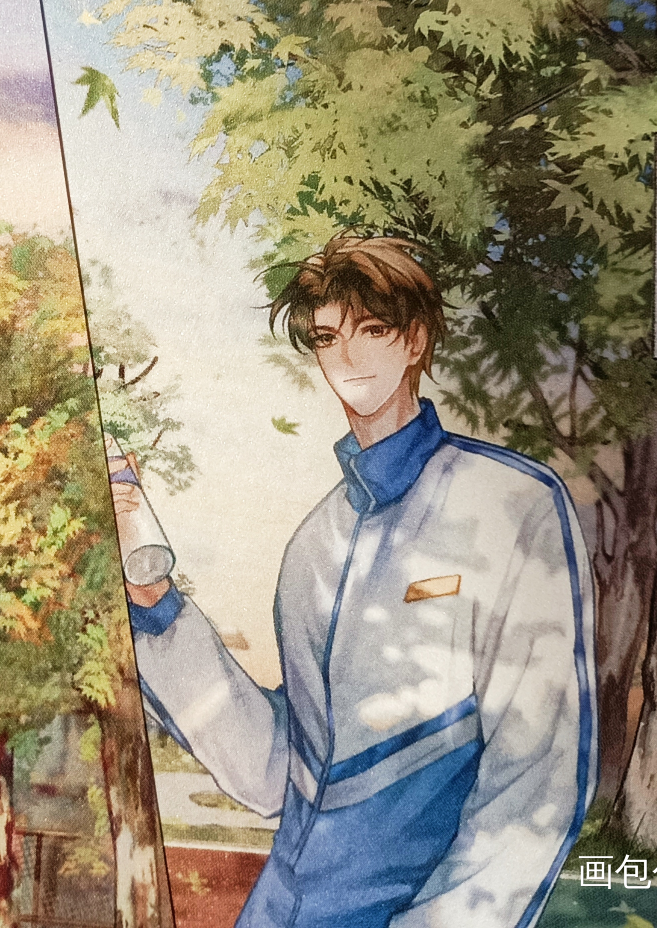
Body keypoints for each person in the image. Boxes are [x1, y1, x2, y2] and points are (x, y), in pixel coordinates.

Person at [110, 236, 596, 928]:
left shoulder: (513, 504)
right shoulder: (313, 545)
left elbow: (537, 782)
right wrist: (157, 606)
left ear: (416, 340)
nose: (348, 356)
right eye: (327, 337)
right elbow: (274, 772)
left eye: (373, 329)